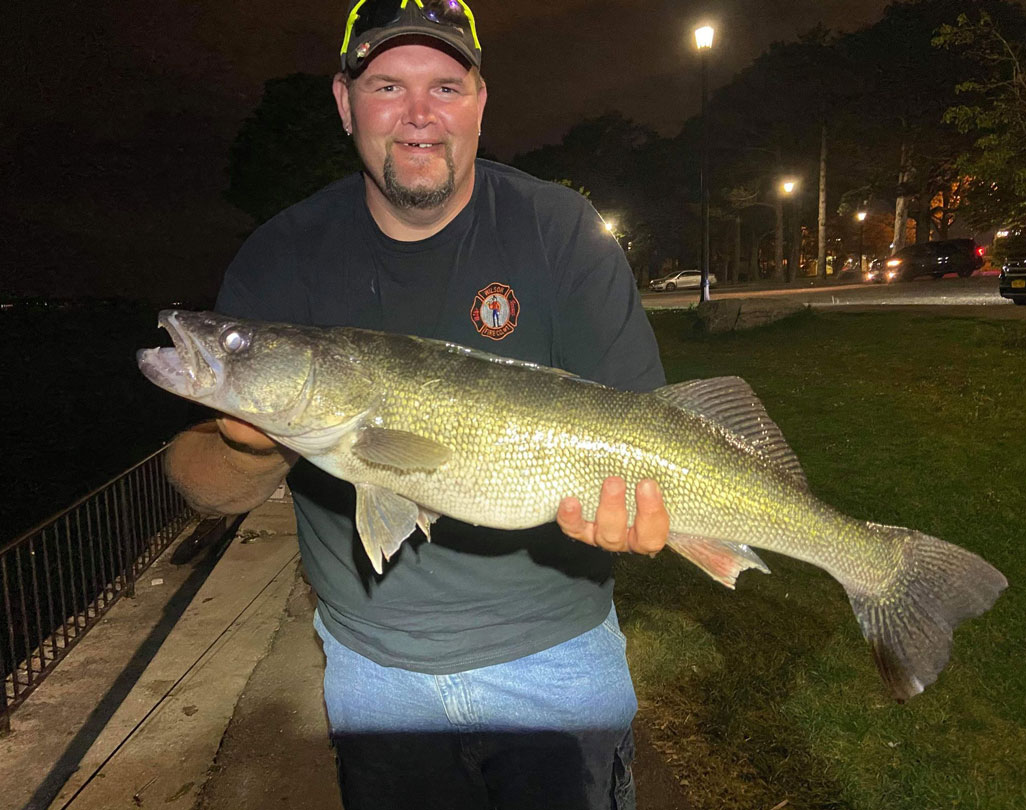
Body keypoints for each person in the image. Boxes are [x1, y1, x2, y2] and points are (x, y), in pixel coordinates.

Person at [165, 1, 670, 807]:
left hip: (558, 661)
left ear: (480, 103)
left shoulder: (558, 228)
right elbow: (205, 487)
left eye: (445, 86)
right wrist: (249, 443)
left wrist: (647, 512)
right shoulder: (283, 254)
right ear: (345, 103)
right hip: (373, 676)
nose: (419, 115)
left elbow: (652, 429)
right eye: (387, 86)